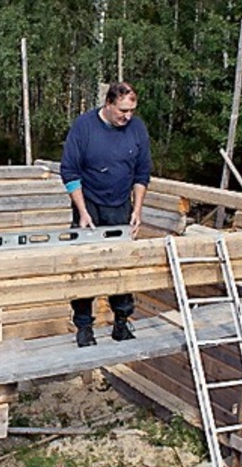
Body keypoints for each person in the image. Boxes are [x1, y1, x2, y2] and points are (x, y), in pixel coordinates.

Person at [60, 82, 152, 347]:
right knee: (84, 264)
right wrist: (82, 212)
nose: (127, 116)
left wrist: (136, 210)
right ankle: (84, 327)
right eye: (123, 110)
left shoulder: (137, 129)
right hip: (88, 205)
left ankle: (121, 322)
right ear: (109, 104)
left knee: (120, 265)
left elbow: (142, 173)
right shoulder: (84, 126)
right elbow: (70, 172)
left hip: (120, 205)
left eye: (132, 110)